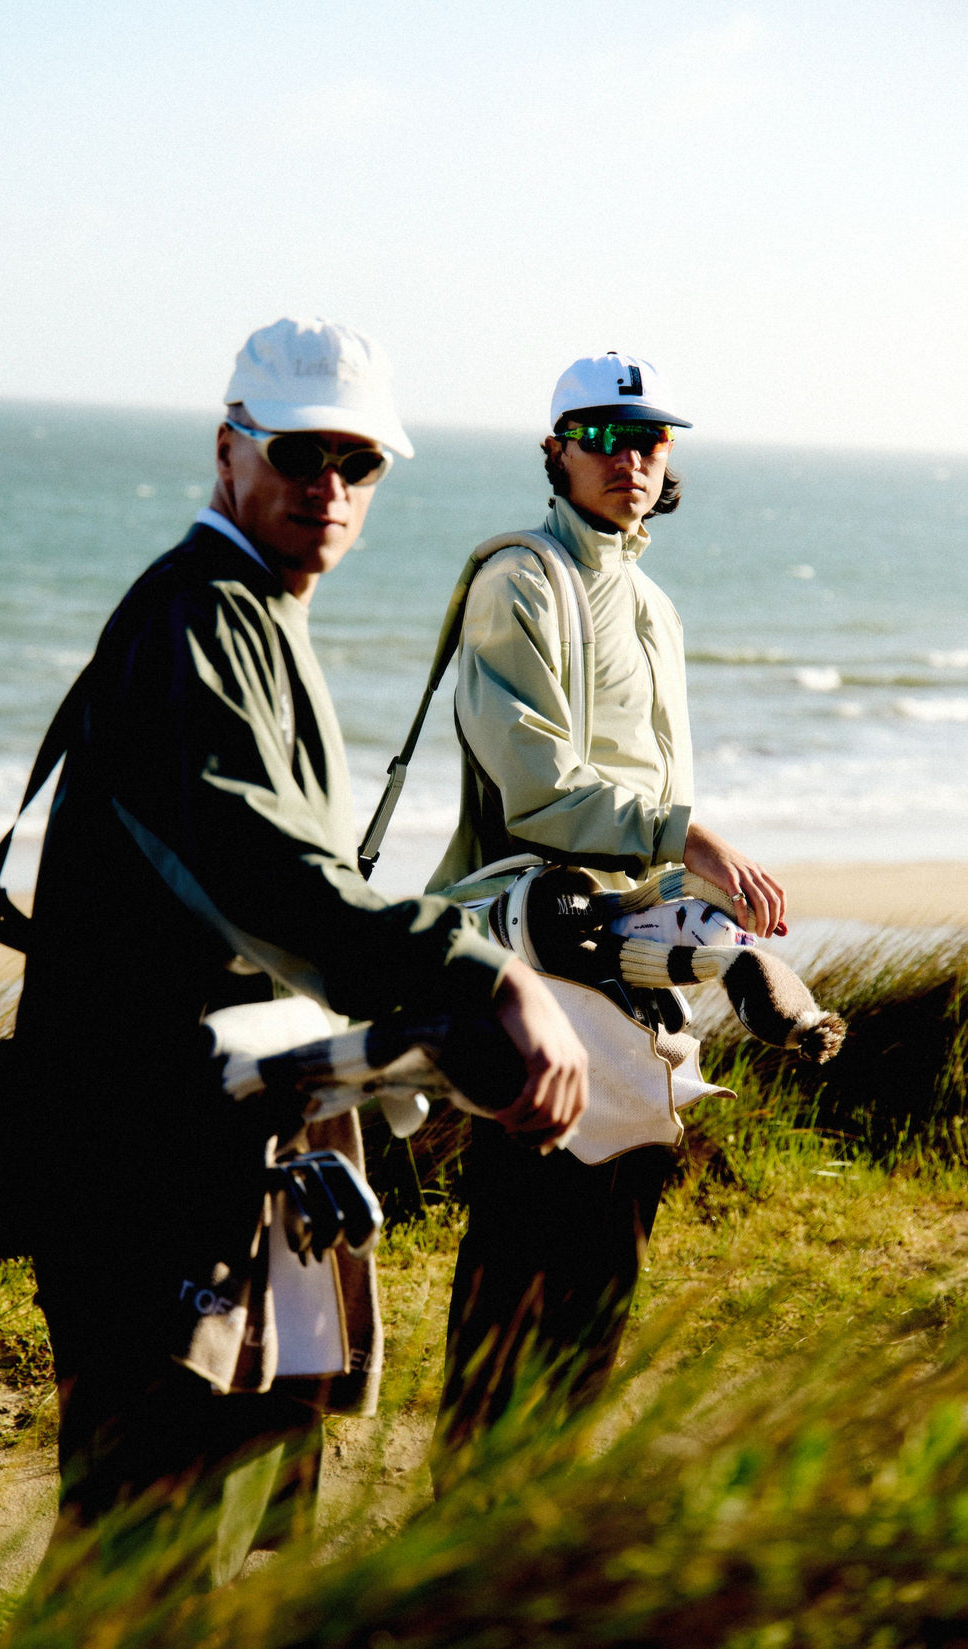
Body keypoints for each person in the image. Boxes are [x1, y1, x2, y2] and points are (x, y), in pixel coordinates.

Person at [13, 317, 586, 1588]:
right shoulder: (202, 616)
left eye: (358, 463)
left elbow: (272, 907)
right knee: (137, 1541)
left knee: (183, 1527)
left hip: (198, 1134)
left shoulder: (252, 611)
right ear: (229, 451)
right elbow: (266, 873)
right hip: (134, 1152)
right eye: (298, 453)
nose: (327, 487)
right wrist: (485, 970)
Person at [429, 349, 786, 1482]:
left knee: (605, 1257)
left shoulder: (649, 601)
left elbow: (638, 781)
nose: (628, 459)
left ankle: (532, 1529)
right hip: (540, 955)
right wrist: (692, 834)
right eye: (600, 437)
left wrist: (689, 886)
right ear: (554, 451)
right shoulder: (521, 581)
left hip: (634, 969)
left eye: (648, 440)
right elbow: (533, 782)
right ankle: (459, 1537)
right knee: (520, 1248)